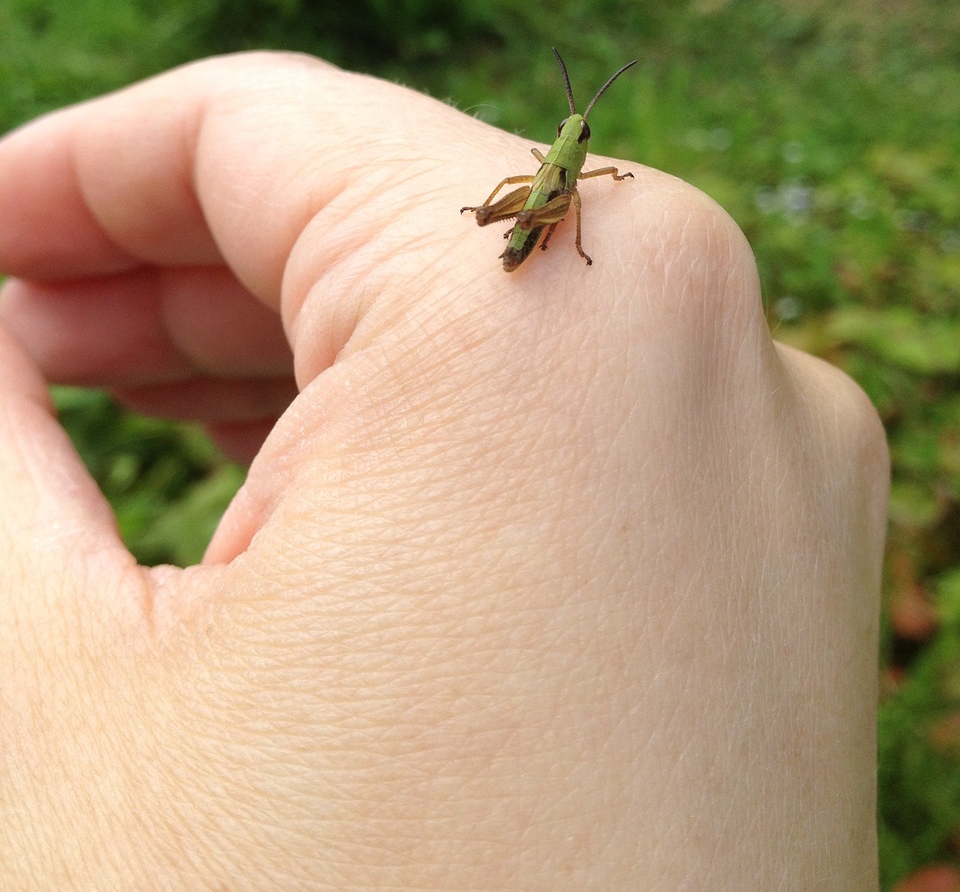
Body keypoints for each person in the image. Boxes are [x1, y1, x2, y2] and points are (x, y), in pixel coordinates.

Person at [0, 51, 888, 889]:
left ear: (579, 149)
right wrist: (533, 219)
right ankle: (505, 227)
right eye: (573, 136)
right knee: (534, 199)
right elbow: (556, 187)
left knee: (559, 203)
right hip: (530, 224)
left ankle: (523, 231)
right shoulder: (561, 173)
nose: (575, 146)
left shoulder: (579, 174)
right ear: (569, 142)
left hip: (545, 227)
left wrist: (566, 232)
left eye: (578, 143)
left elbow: (577, 188)